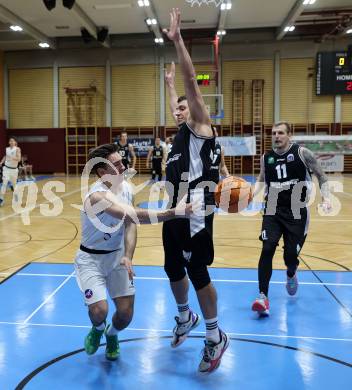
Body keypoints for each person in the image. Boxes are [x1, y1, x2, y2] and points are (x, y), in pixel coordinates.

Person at [75, 143, 193, 361]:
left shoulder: (126, 188)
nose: (123, 166)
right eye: (117, 164)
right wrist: (173, 213)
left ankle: (111, 335)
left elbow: (130, 224)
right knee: (99, 311)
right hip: (90, 259)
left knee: (126, 314)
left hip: (117, 256)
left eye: (122, 161)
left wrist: (128, 255)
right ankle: (98, 329)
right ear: (102, 172)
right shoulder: (96, 197)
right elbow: (134, 215)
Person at [162, 8, 229, 373]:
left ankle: (215, 336)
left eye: (184, 105)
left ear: (197, 108)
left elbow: (190, 80)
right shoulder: (181, 133)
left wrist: (178, 41)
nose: (178, 108)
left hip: (197, 213)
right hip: (174, 210)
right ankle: (184, 317)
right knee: (172, 267)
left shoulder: (201, 125)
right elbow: (178, 99)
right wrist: (170, 85)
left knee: (197, 271)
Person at [251, 121, 331, 316]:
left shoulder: (302, 154)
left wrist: (327, 198)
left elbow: (321, 176)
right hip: (273, 209)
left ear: (289, 135)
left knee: (290, 256)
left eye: (280, 133)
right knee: (267, 247)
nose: (276, 136)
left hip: (297, 211)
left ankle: (291, 272)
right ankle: (263, 296)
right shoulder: (266, 157)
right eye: (273, 133)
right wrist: (251, 194)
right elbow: (262, 179)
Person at [165, 60, 229, 183]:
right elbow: (175, 107)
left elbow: (222, 167)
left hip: (202, 190)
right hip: (180, 192)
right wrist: (170, 85)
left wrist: (228, 178)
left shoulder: (207, 139)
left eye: (182, 109)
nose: (177, 112)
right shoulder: (186, 131)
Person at [0, 137, 21, 207]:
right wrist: (1, 162)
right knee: (4, 183)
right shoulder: (7, 149)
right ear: (9, 142)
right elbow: (5, 156)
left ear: (15, 142)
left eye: (13, 141)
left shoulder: (17, 149)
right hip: (6, 169)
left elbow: (19, 159)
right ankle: (1, 199)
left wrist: (12, 157)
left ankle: (16, 198)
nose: (11, 142)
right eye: (10, 141)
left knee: (14, 185)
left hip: (14, 170)